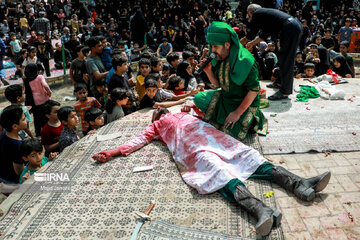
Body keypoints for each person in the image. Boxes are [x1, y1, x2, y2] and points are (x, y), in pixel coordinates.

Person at [92, 107, 331, 236]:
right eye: (158, 113)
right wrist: (112, 151)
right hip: (195, 150)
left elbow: (206, 109)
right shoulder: (155, 126)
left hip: (217, 140)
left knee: (249, 156)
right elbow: (137, 141)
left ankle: (301, 184)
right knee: (220, 174)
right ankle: (261, 209)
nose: (159, 112)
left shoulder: (185, 113)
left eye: (160, 110)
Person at [194, 21, 267, 141]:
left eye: (215, 46)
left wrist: (237, 113)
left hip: (243, 103)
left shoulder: (246, 61)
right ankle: (222, 116)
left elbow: (254, 90)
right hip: (226, 98)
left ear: (227, 45)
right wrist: (208, 72)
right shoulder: (219, 57)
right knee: (199, 98)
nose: (212, 50)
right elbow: (219, 85)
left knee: (231, 134)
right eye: (211, 46)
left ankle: (248, 119)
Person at [240, 4, 302, 100]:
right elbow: (263, 35)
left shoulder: (257, 14)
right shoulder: (265, 16)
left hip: (290, 27)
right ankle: (279, 82)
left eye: (249, 15)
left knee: (287, 59)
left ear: (250, 12)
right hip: (292, 26)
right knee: (282, 56)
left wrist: (237, 44)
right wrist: (252, 43)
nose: (249, 17)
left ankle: (285, 91)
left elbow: (250, 35)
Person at [0, 105, 27, 184]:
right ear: (15, 126)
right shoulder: (17, 145)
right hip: (11, 180)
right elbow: (19, 171)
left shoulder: (4, 133)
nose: (27, 120)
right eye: (24, 119)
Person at [23, 64, 52, 137]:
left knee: (36, 118)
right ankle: (47, 131)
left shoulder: (27, 80)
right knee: (45, 117)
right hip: (44, 99)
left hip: (34, 101)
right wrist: (49, 93)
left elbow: (25, 91)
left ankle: (38, 133)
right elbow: (45, 85)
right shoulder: (39, 77)